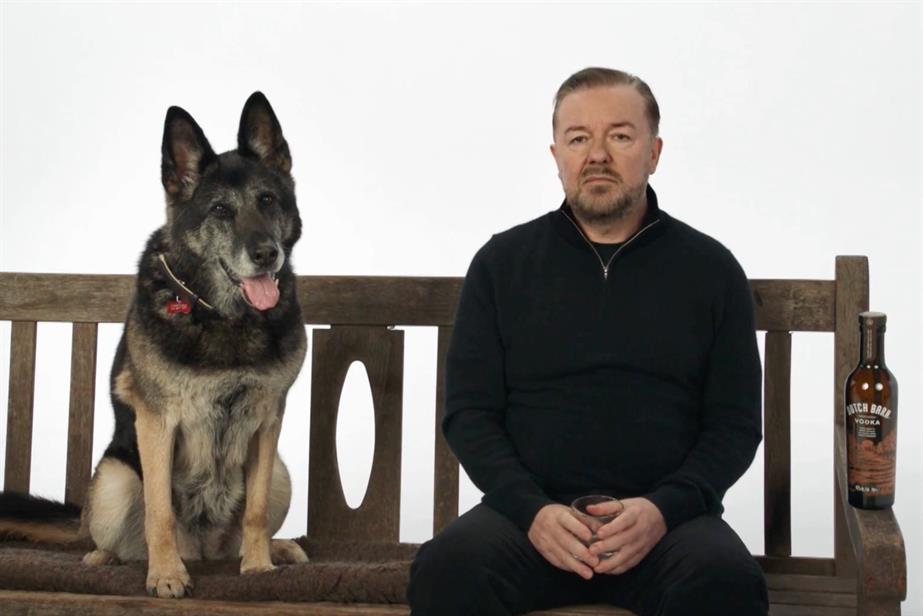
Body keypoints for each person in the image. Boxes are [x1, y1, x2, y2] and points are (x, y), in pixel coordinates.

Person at [407, 67, 769, 616]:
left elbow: (735, 425)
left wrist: (661, 510)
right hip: (529, 526)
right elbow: (469, 413)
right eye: (579, 139)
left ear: (654, 151)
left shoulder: (711, 271)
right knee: (445, 572)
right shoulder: (502, 265)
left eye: (620, 136)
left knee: (727, 585)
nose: (597, 154)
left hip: (666, 529)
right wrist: (532, 511)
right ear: (556, 155)